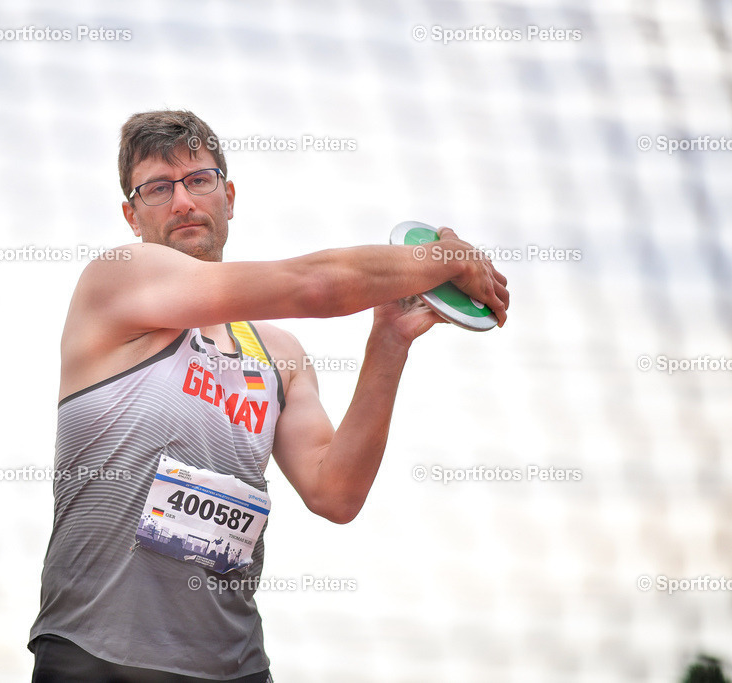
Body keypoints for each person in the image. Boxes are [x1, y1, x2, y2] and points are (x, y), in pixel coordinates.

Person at [29, 110, 509, 682]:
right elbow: (313, 284)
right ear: (132, 216)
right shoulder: (115, 280)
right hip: (96, 656)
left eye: (199, 180)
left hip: (233, 668)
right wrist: (447, 258)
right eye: (158, 188)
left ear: (229, 197)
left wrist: (390, 338)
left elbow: (337, 492)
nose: (182, 201)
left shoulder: (279, 356)